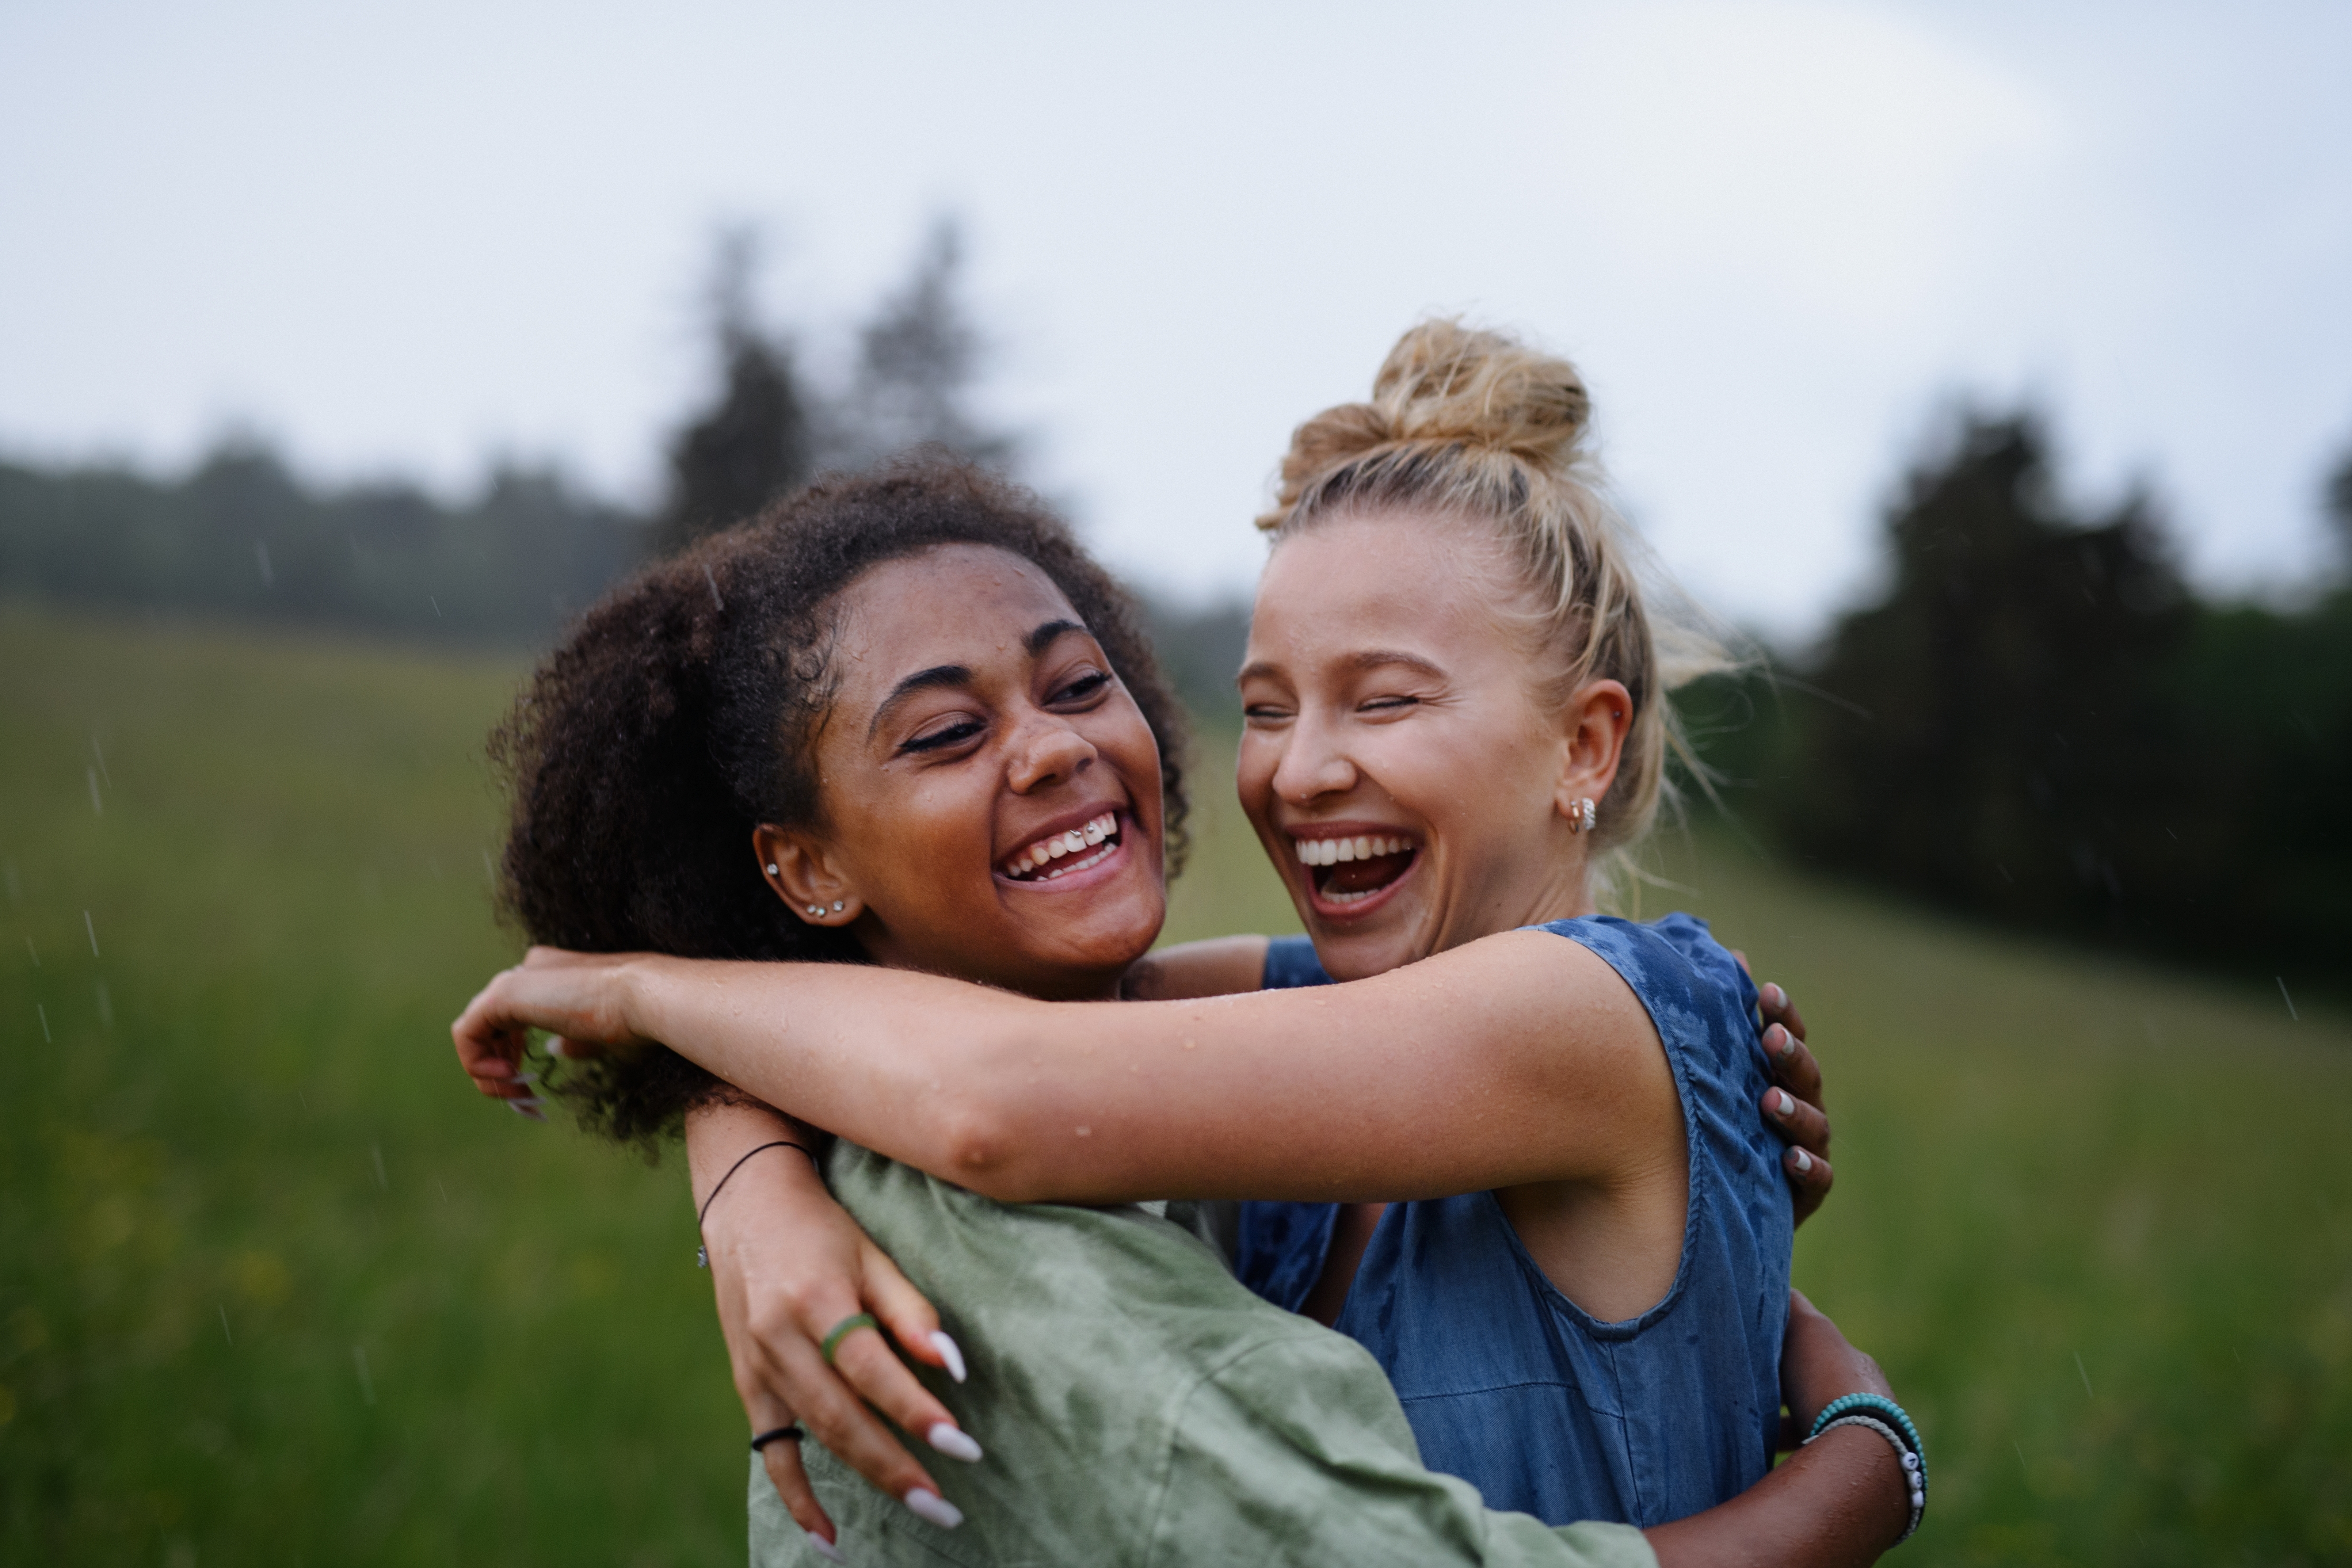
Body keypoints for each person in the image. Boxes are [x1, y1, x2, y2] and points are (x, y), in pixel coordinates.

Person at [454, 450, 1915, 1565]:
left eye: (1387, 703)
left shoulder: (1577, 1008)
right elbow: (974, 1022)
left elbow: (991, 1092)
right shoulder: (1329, 1018)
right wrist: (744, 1158)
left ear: (1583, 745)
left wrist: (641, 992)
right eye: (1268, 709)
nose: (1301, 771)